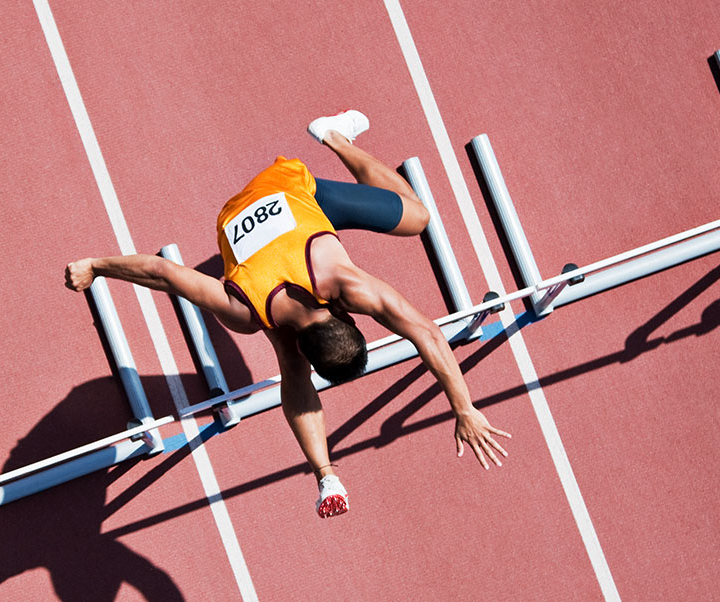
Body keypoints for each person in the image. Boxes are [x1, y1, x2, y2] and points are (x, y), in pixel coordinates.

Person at [64, 110, 510, 519]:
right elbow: (164, 273)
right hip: (252, 207)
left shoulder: (345, 285)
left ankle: (336, 138)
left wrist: (466, 408)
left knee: (418, 218)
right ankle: (334, 136)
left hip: (286, 194)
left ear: (348, 317)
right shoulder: (248, 311)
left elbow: (426, 332)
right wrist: (94, 268)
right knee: (287, 349)